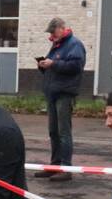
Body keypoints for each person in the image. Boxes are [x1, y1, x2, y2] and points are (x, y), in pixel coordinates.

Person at [36, 17, 86, 182]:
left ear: (62, 28)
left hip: (64, 93)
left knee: (63, 132)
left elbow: (76, 67)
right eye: (50, 32)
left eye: (53, 31)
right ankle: (55, 165)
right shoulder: (58, 45)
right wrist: (44, 65)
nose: (51, 34)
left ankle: (66, 168)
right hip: (53, 93)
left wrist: (53, 64)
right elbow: (56, 65)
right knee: (53, 131)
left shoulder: (74, 45)